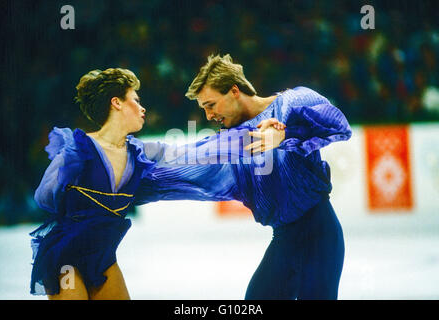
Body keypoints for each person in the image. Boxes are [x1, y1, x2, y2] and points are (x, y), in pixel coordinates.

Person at [30, 67, 281, 299]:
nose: (142, 108)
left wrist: (252, 134)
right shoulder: (79, 149)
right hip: (66, 258)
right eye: (136, 100)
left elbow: (195, 151)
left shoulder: (140, 152)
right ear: (116, 103)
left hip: (103, 257)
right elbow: (44, 197)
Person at [139, 53, 352, 300]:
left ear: (234, 91)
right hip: (284, 239)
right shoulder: (233, 142)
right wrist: (129, 181)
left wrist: (285, 136)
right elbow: (185, 161)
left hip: (319, 233)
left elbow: (339, 126)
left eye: (211, 105)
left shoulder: (293, 101)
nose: (209, 116)